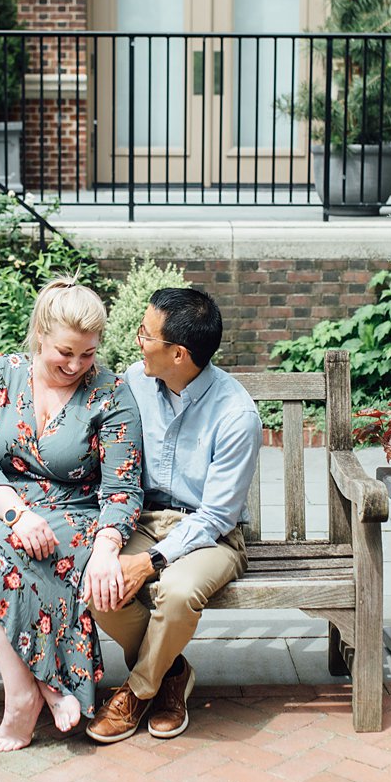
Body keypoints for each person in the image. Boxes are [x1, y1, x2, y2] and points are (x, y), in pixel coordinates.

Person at [0, 278, 144, 751]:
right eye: (65, 352)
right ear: (40, 335)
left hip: (72, 515)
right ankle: (46, 685)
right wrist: (15, 512)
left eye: (88, 354)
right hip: (3, 507)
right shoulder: (0, 372)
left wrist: (107, 546)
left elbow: (123, 486)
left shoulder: (111, 392)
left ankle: (19, 702)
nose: (76, 366)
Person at [85, 287, 261, 743]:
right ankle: (172, 672)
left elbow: (217, 517)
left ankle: (140, 691)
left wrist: (151, 562)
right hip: (142, 520)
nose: (136, 339)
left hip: (212, 536)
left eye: (146, 334)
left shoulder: (236, 413)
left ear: (178, 353)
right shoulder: (133, 382)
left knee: (178, 593)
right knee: (100, 583)